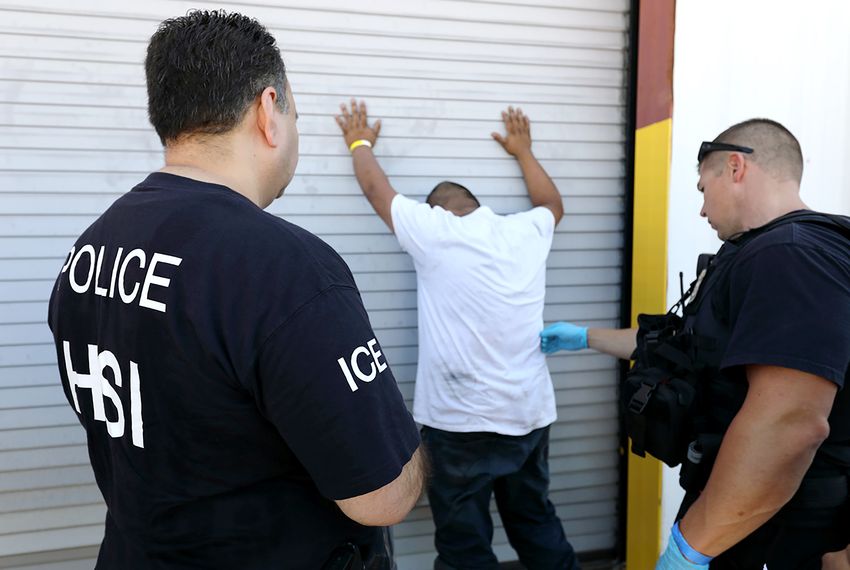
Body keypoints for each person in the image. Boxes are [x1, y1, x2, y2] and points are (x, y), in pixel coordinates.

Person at [47, 11, 426, 569]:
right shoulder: (286, 268)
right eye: (294, 112)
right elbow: (383, 496)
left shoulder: (92, 247)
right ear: (268, 110)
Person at [540, 119, 850, 569]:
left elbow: (790, 423)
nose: (702, 210)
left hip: (779, 530)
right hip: (743, 516)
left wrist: (692, 548)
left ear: (736, 167)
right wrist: (583, 338)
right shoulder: (758, 254)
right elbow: (680, 348)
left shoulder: (790, 257)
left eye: (703, 188)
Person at [335, 100, 578, 570]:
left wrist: (359, 141)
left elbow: (375, 189)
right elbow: (552, 204)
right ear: (476, 204)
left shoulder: (435, 231)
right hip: (528, 414)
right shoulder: (523, 231)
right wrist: (523, 151)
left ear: (438, 209)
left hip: (460, 425)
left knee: (465, 545)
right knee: (535, 522)